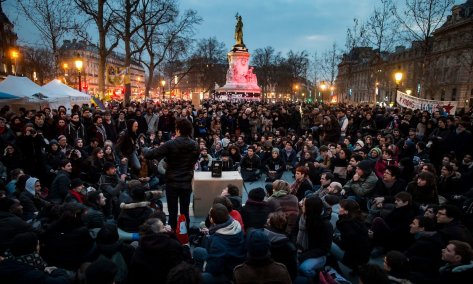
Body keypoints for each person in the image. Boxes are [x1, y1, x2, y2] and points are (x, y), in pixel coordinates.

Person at [143, 118, 199, 229]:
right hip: (186, 182)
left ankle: (172, 231)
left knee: (172, 212)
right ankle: (184, 234)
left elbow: (150, 154)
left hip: (172, 183)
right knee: (184, 211)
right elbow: (193, 161)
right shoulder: (195, 145)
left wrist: (143, 147)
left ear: (178, 130)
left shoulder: (171, 144)